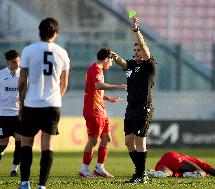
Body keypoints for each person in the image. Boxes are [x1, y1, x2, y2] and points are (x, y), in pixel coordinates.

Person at [18, 17, 70, 189]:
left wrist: (21, 103)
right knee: (47, 145)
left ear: (39, 31)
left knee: (26, 143)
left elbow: (22, 80)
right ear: (55, 33)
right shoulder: (62, 53)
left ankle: (25, 183)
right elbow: (64, 83)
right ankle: (42, 185)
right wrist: (57, 99)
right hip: (52, 105)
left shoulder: (28, 50)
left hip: (31, 104)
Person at [111, 16, 156, 184]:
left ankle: (141, 175)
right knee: (128, 142)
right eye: (135, 50)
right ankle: (140, 172)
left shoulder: (149, 66)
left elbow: (144, 46)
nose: (137, 52)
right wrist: (115, 57)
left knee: (139, 141)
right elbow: (123, 64)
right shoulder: (132, 65)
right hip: (131, 108)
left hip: (144, 108)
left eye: (139, 50)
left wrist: (136, 30)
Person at [79, 48, 126, 179]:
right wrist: (118, 86)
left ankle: (99, 167)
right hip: (93, 111)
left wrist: (108, 98)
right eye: (111, 60)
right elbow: (99, 86)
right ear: (106, 59)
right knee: (93, 140)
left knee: (107, 138)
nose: (112, 62)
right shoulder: (95, 69)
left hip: (101, 110)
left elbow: (95, 91)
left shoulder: (98, 70)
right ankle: (84, 169)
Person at [0, 50, 21, 177]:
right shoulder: (1, 75)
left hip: (18, 114)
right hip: (2, 115)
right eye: (14, 62)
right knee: (3, 143)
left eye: (18, 61)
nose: (17, 64)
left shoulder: (23, 75)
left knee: (20, 141)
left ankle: (14, 169)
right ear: (8, 62)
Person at [147, 152, 215, 178]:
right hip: (174, 157)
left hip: (165, 162)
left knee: (165, 174)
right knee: (200, 173)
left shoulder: (198, 162)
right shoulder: (201, 163)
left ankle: (152, 172)